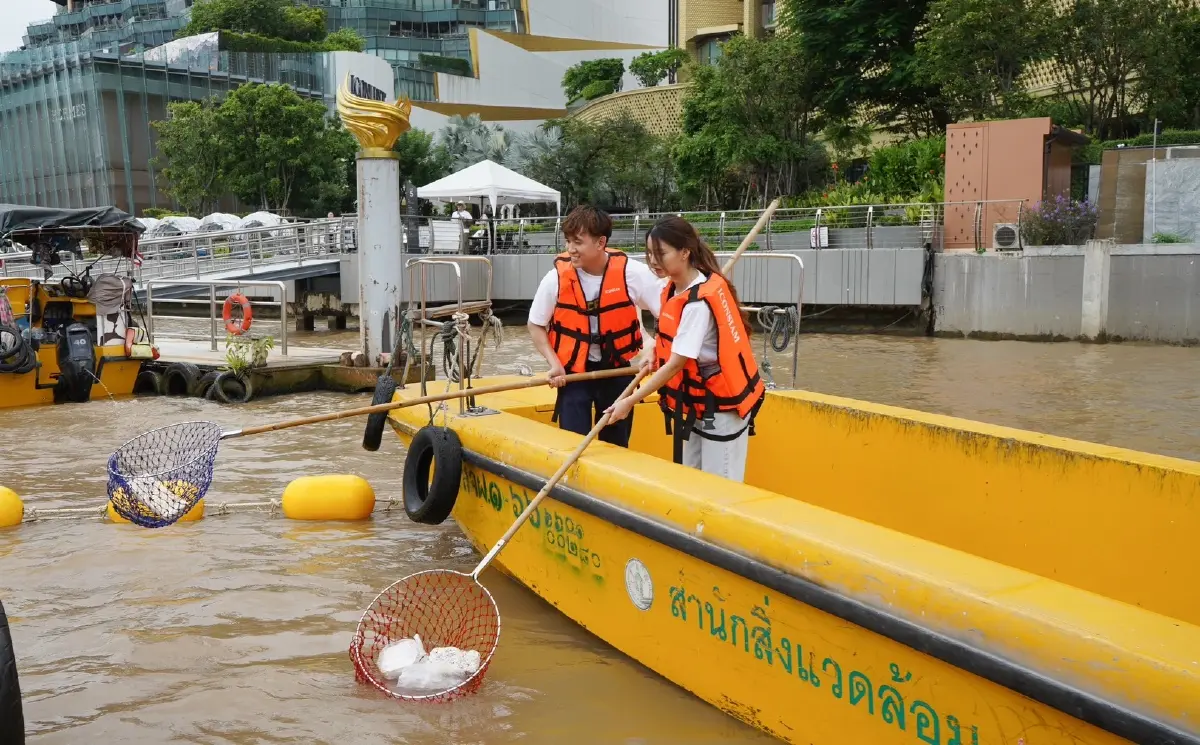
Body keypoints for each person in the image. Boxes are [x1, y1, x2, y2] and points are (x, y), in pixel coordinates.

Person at [605, 216, 765, 482]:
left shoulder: (697, 305)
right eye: (649, 253)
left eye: (661, 253)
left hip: (720, 407)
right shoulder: (671, 289)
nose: (653, 260)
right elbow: (670, 340)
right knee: (692, 482)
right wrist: (656, 351)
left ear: (685, 252)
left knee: (718, 489)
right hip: (695, 403)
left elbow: (677, 363)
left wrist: (629, 401)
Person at [527, 205, 662, 448]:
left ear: (601, 243)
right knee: (573, 443)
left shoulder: (634, 274)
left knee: (616, 444)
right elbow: (536, 324)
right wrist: (554, 363)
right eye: (568, 241)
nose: (570, 249)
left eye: (577, 242)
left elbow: (669, 314)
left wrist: (654, 347)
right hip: (573, 374)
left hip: (617, 371)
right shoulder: (556, 278)